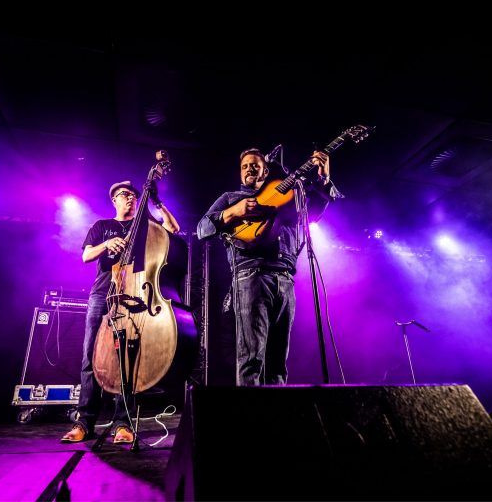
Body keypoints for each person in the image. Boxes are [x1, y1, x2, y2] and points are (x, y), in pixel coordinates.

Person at [196, 147, 340, 386]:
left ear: (266, 169)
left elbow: (312, 215)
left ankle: (276, 420)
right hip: (250, 275)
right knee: (251, 359)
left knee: (278, 363)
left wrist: (324, 180)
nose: (250, 168)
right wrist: (233, 212)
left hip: (285, 279)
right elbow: (202, 229)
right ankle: (252, 422)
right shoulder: (231, 197)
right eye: (245, 166)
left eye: (255, 164)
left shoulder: (289, 194)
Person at [61, 179, 180, 443]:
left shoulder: (144, 228)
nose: (130, 198)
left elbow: (173, 229)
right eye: (124, 194)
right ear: (114, 200)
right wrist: (107, 244)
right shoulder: (102, 226)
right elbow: (86, 256)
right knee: (90, 357)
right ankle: (84, 421)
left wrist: (156, 201)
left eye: (134, 195)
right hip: (103, 295)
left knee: (127, 360)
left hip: (134, 295)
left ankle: (122, 422)